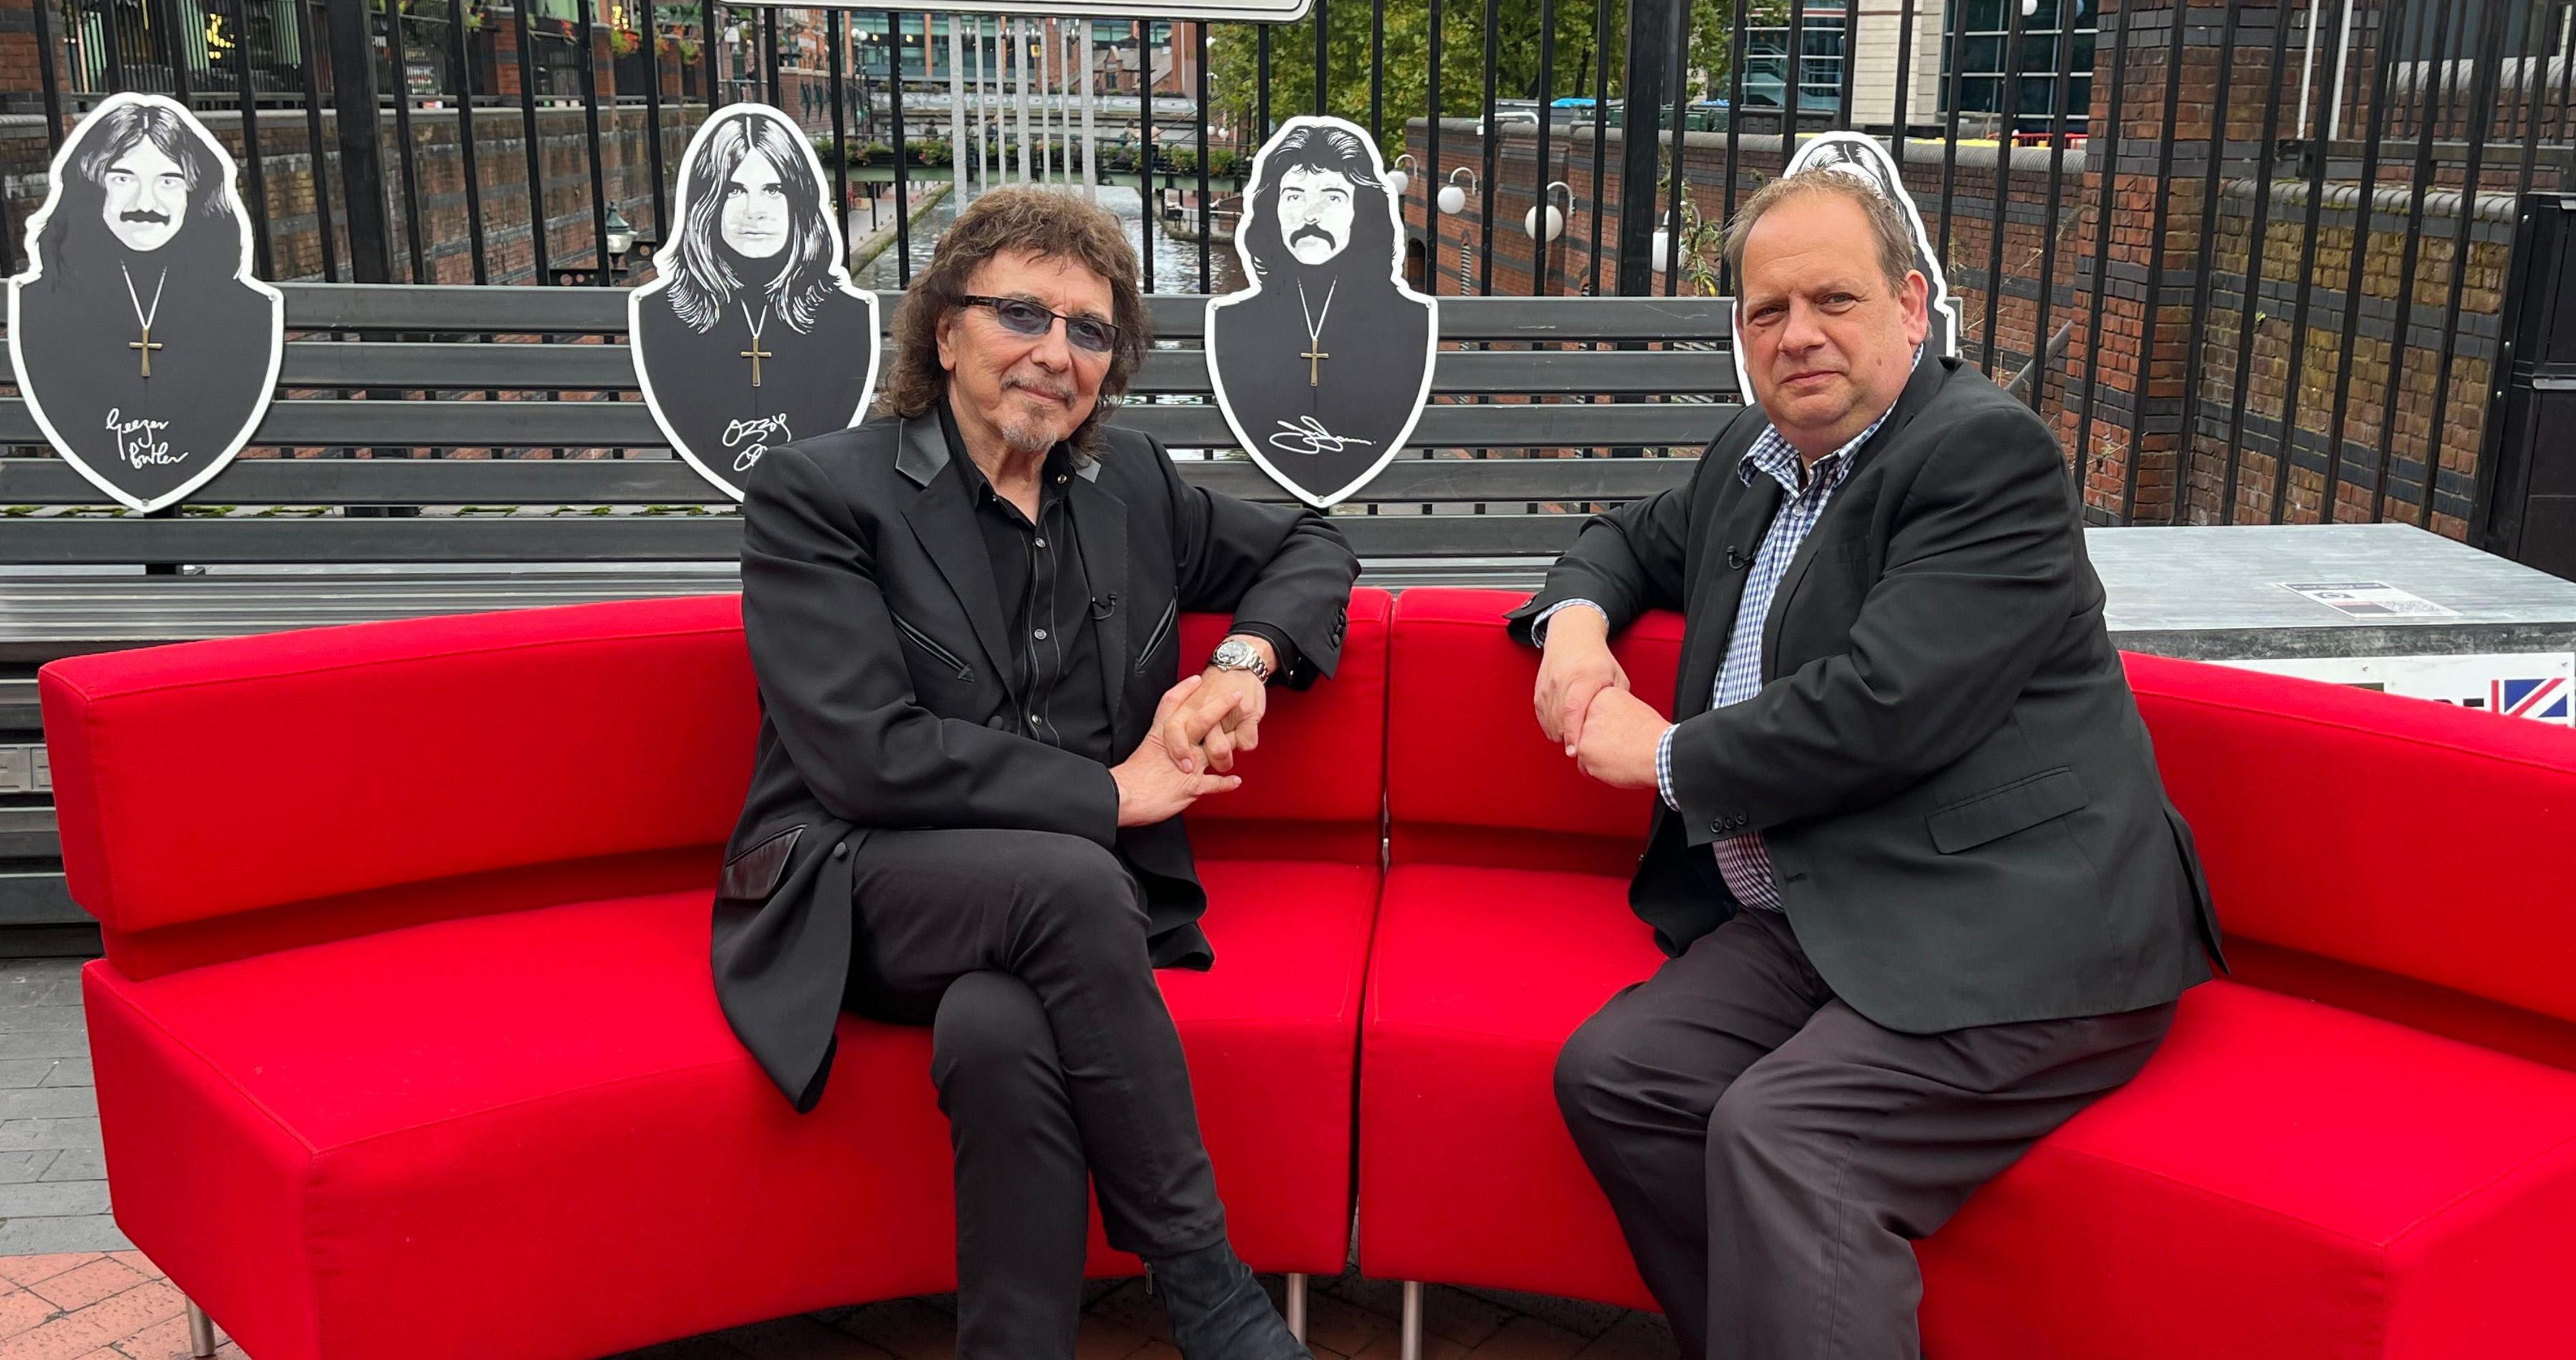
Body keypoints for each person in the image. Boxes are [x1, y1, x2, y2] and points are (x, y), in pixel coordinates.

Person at [1514, 165, 2223, 1360]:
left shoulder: (1984, 459)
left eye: (1832, 301)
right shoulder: (1757, 453)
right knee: (1620, 1075)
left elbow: (1888, 706)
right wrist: (1574, 629)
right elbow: (1622, 540)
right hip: (1837, 903)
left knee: (1789, 1136)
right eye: (1765, 313)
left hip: (2020, 922)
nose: (1798, 337)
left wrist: (1669, 754)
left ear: (1909, 305)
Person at [711, 186, 1356, 1360]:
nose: (1055, 354)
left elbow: (1314, 543)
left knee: (1001, 1029)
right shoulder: (824, 496)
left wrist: (1246, 663)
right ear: (945, 332)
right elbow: (865, 755)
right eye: (1022, 314)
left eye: (1090, 331)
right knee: (1063, 884)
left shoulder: (1134, 490)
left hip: (1056, 929)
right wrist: (1110, 795)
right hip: (861, 883)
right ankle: (1215, 1302)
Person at [7, 94, 279, 512]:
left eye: (169, 181)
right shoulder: (40, 304)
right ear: (90, 188)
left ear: (197, 193)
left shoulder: (249, 311)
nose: (145, 204)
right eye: (121, 179)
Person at [630, 106, 878, 498]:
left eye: (773, 190)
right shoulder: (659, 313)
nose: (754, 212)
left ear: (798, 200)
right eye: (733, 190)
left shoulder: (847, 314)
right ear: (706, 203)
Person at [1205, 119, 1434, 507]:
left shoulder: (1411, 320)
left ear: (1361, 211)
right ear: (1271, 210)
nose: (1310, 215)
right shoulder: (1229, 323)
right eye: (1293, 197)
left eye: (1332, 198)